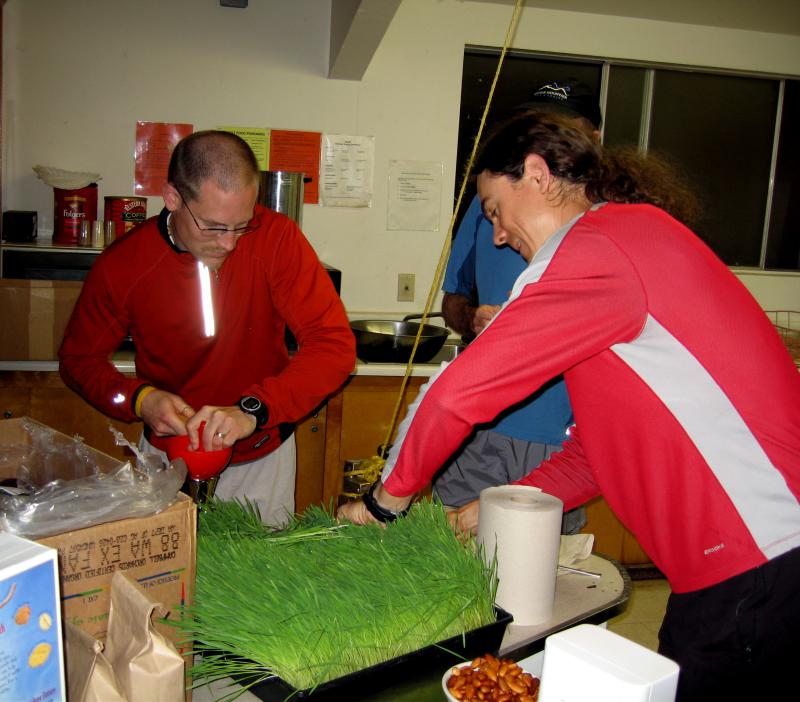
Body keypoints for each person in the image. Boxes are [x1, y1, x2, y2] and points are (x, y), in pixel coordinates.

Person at [339, 112, 800, 700]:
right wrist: (487, 509)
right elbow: (590, 453)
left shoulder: (594, 248)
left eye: (493, 210)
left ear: (536, 175)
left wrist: (383, 504)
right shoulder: (629, 244)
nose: (499, 234)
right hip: (752, 564)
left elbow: (456, 392)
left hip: (757, 565)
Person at [59, 130, 355, 526]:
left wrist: (254, 410)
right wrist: (138, 400)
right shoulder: (125, 265)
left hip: (261, 455)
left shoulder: (276, 239)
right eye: (213, 227)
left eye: (242, 225)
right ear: (173, 199)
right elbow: (78, 361)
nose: (229, 243)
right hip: (167, 460)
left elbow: (334, 348)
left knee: (260, 582)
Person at [436, 79, 601, 534]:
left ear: (593, 141)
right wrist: (471, 319)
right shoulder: (490, 207)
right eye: (535, 128)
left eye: (562, 130)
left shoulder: (607, 225)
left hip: (562, 440)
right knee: (451, 552)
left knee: (539, 570)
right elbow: (452, 299)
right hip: (481, 423)